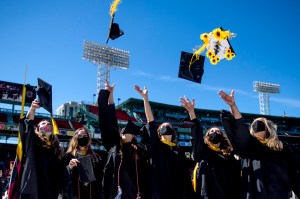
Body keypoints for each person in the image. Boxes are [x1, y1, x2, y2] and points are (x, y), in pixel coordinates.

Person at [218, 90, 300, 199]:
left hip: (278, 194)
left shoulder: (282, 148)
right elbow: (240, 129)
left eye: (262, 122)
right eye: (255, 122)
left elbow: (295, 174)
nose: (258, 123)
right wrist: (233, 106)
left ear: (268, 128)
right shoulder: (250, 146)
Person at [134, 85, 193, 199]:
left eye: (168, 125)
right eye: (163, 126)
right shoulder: (156, 146)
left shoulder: (178, 150)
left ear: (173, 132)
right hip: (159, 191)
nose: (166, 125)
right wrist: (145, 99)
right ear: (159, 132)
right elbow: (150, 120)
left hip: (177, 191)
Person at [179, 96, 241, 199]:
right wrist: (191, 112)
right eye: (211, 131)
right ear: (207, 136)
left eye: (218, 131)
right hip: (207, 194)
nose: (215, 132)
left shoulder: (229, 155)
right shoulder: (203, 151)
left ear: (222, 137)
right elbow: (197, 135)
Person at [98, 81, 151, 199]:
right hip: (116, 194)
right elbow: (110, 119)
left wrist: (145, 99)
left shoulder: (141, 149)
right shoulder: (114, 146)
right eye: (122, 131)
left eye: (128, 132)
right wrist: (109, 94)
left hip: (136, 194)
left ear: (134, 136)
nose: (124, 132)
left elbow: (150, 123)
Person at [9, 99, 65, 199]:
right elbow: (28, 124)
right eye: (43, 123)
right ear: (38, 129)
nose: (47, 124)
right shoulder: (33, 143)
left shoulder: (57, 150)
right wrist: (32, 109)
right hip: (33, 187)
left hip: (51, 190)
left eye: (49, 123)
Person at [62, 127, 104, 199]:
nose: (83, 138)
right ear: (76, 138)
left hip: (92, 193)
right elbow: (61, 175)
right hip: (75, 193)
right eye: (80, 136)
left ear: (88, 138)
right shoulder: (68, 155)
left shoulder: (95, 157)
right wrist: (69, 167)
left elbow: (100, 177)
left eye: (85, 136)